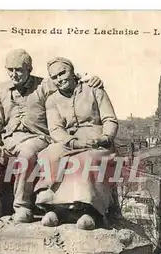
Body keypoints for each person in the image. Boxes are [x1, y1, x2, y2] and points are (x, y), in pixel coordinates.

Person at [0, 49, 103, 223]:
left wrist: (91, 79)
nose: (14, 74)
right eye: (10, 70)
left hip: (39, 139)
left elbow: (68, 80)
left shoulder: (44, 86)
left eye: (19, 70)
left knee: (27, 153)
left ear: (29, 69)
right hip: (8, 143)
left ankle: (22, 206)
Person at [34, 57, 119, 230]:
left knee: (84, 160)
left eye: (62, 73)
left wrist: (105, 137)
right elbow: (56, 129)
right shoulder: (52, 101)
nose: (60, 79)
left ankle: (90, 210)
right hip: (69, 142)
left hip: (96, 141)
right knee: (48, 155)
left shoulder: (94, 90)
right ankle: (54, 208)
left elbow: (110, 119)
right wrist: (72, 142)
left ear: (72, 72)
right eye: (55, 77)